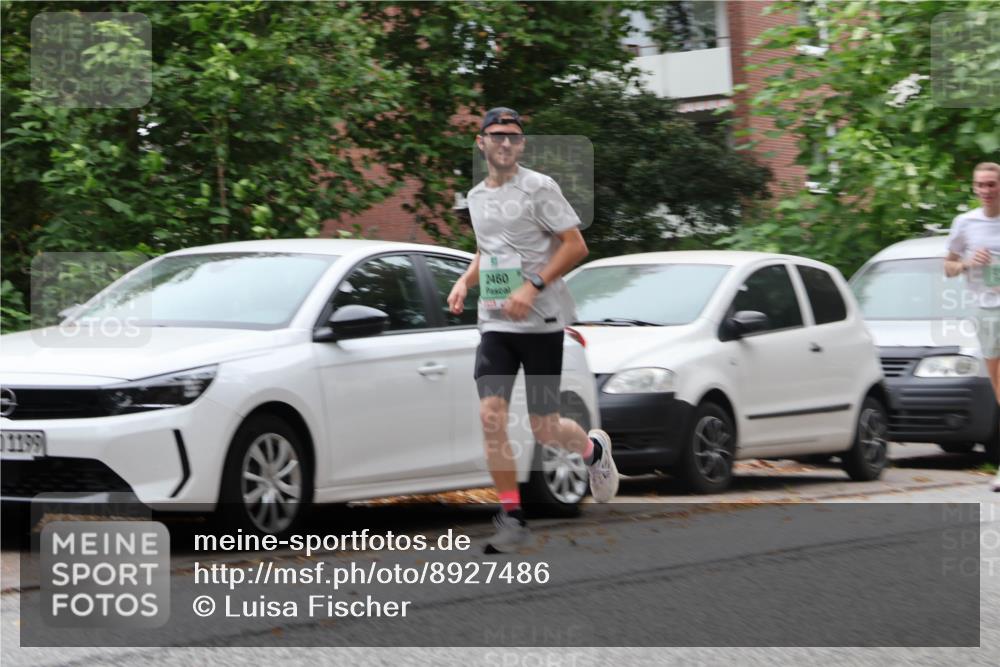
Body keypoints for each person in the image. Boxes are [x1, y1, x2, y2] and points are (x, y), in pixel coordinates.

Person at [447, 107, 619, 552]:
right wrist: (465, 280)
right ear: (480, 142)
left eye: (514, 137)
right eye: (497, 135)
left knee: (544, 428)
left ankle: (594, 452)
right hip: (496, 324)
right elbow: (488, 250)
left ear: (521, 145)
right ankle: (512, 515)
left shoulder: (539, 188)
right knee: (491, 417)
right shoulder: (477, 197)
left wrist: (532, 286)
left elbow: (575, 245)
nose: (505, 143)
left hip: (541, 323)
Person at [943, 161, 1000, 492]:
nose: (986, 190)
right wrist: (967, 263)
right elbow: (948, 267)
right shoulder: (964, 223)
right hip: (987, 311)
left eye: (991, 184)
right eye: (981, 185)